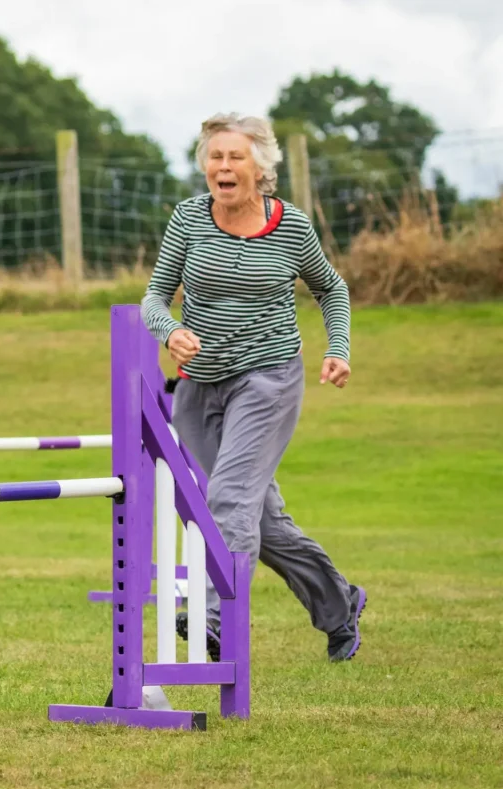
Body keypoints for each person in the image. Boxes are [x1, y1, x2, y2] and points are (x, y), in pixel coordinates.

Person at [140, 112, 366, 662]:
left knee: (230, 499)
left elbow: (331, 291)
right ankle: (341, 603)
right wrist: (171, 333)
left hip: (268, 379)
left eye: (234, 156)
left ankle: (216, 617)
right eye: (215, 157)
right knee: (259, 518)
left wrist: (338, 349)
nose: (223, 166)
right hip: (199, 387)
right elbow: (153, 300)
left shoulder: (291, 226)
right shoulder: (188, 219)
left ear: (259, 166)